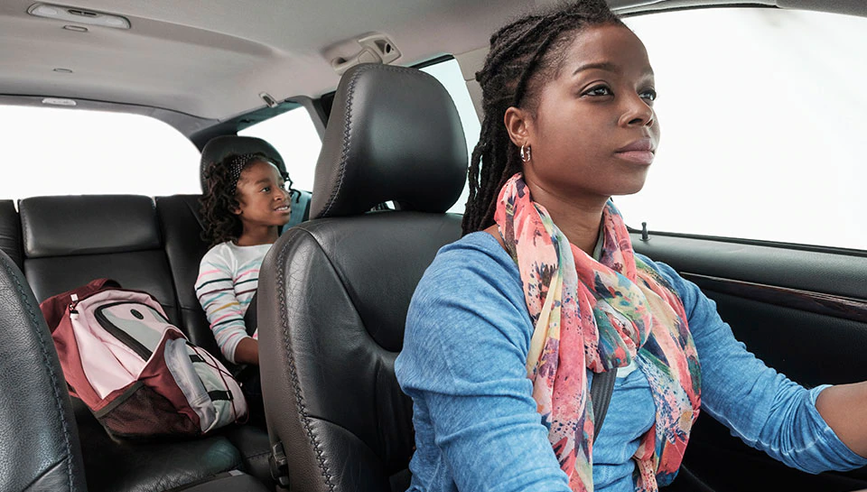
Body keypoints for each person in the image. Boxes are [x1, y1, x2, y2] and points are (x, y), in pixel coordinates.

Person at [394, 2, 867, 491]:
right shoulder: (467, 291)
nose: (641, 110)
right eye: (599, 90)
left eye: (647, 93)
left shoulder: (660, 292)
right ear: (521, 126)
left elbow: (787, 422)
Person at [196, 152, 292, 422]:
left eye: (282, 185)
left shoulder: (304, 245)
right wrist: (295, 359)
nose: (281, 194)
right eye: (266, 188)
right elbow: (232, 342)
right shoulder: (221, 260)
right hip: (267, 374)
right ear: (236, 205)